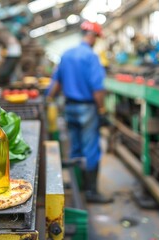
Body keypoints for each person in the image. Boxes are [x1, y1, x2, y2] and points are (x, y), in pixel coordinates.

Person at [47, 20, 113, 203]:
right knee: (91, 148)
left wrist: (48, 100)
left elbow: (56, 83)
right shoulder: (91, 57)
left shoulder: (67, 54)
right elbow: (97, 88)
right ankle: (91, 192)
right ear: (92, 37)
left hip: (69, 108)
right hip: (87, 108)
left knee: (75, 147)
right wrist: (101, 110)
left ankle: (77, 186)